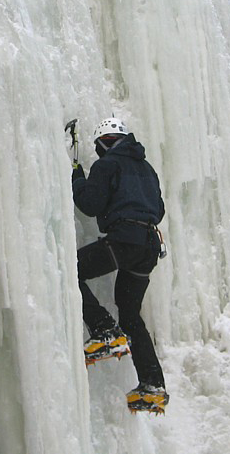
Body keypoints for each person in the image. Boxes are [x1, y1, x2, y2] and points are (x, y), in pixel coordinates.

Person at [71, 117, 168, 413]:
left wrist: (77, 175)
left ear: (103, 143)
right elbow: (159, 209)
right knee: (130, 313)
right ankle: (153, 384)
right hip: (150, 244)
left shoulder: (107, 164)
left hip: (125, 240)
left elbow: (90, 204)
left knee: (71, 270)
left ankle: (104, 330)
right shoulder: (147, 169)